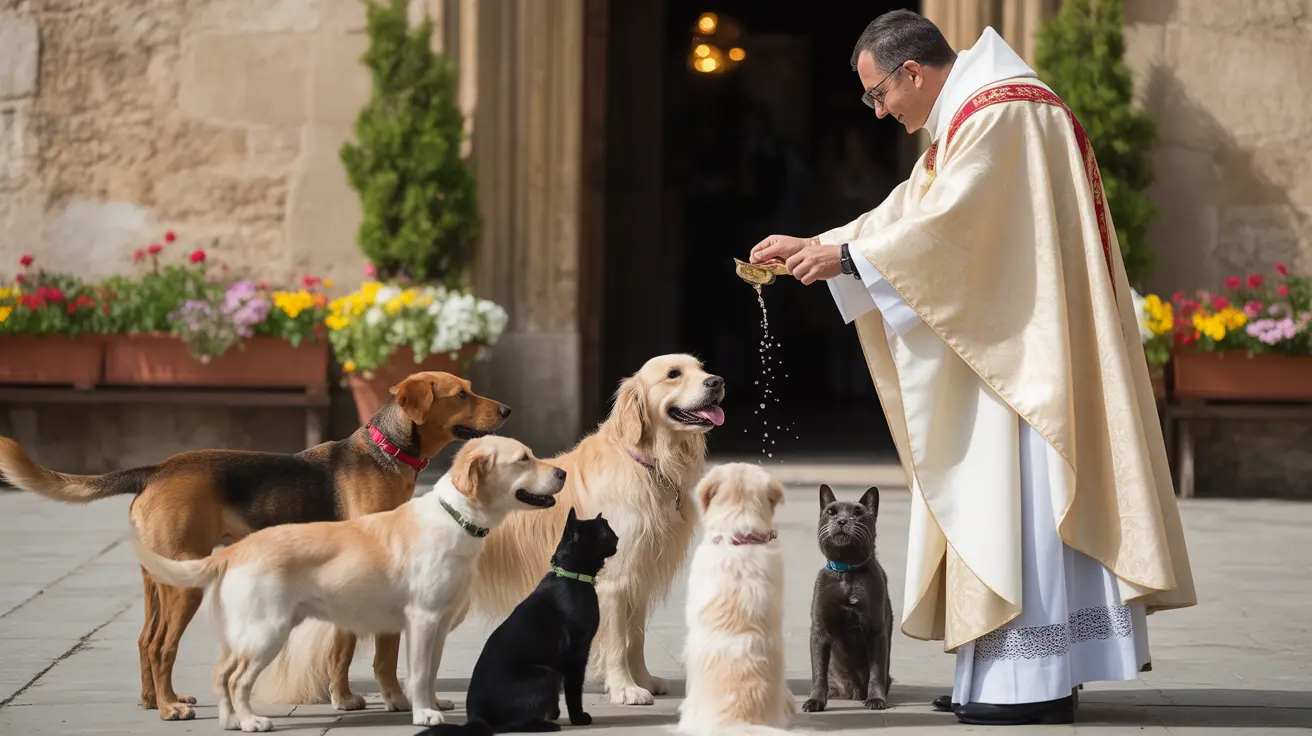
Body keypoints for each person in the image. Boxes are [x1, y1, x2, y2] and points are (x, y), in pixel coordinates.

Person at [749, 10, 1196, 727]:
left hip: (1021, 360)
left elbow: (953, 227)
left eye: (877, 95)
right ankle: (1004, 676)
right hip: (1006, 341)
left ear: (912, 73)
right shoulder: (973, 114)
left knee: (1014, 500)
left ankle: (1031, 682)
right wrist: (823, 243)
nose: (879, 111)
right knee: (1002, 508)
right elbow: (912, 212)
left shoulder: (1004, 113)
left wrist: (848, 259)